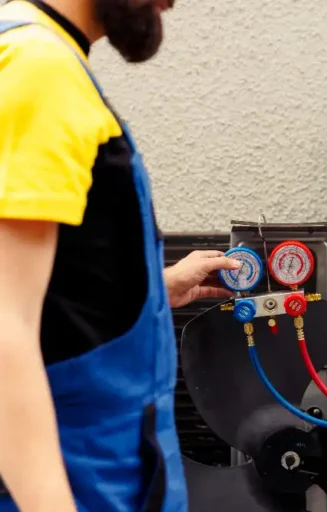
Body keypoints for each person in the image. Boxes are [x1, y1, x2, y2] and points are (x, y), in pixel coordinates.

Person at [0, 0, 239, 510]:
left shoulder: (36, 54)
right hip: (78, 485)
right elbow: (4, 324)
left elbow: (45, 282)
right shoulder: (40, 69)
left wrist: (155, 289)